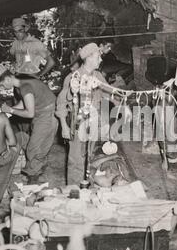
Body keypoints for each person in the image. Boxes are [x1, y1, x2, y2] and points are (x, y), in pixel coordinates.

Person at [55, 42, 130, 184]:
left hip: (94, 123)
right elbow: (61, 104)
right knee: (76, 159)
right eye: (98, 57)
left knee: (91, 155)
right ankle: (74, 191)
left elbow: (108, 93)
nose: (101, 60)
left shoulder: (97, 76)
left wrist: (121, 104)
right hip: (77, 123)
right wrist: (64, 126)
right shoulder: (73, 78)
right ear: (89, 58)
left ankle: (87, 184)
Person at [0, 71, 58, 183]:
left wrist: (10, 110)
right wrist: (7, 113)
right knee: (36, 145)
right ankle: (38, 168)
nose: (2, 88)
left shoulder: (25, 86)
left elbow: (29, 113)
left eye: (1, 85)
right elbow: (24, 103)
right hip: (41, 113)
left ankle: (33, 175)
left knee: (33, 148)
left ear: (7, 79)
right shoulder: (20, 85)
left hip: (47, 115)